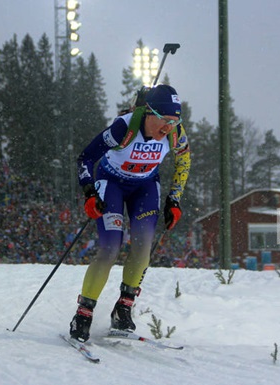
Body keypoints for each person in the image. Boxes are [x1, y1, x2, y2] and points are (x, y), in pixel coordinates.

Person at [69, 84, 191, 342]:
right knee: (110, 248)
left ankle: (123, 307)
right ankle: (83, 313)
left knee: (142, 247)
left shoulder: (175, 134)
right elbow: (86, 158)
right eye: (165, 120)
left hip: (144, 187)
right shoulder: (123, 128)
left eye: (175, 121)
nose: (169, 127)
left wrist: (174, 200)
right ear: (149, 112)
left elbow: (184, 161)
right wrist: (89, 192)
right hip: (111, 183)